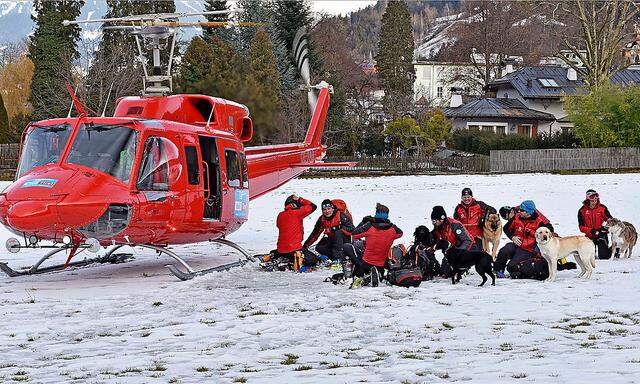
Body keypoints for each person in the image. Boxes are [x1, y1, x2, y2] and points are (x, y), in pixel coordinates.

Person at [494, 200, 575, 279]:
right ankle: (498, 270)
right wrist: (513, 237)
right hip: (517, 244)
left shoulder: (539, 222)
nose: (519, 211)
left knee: (511, 267)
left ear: (528, 212)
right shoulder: (517, 217)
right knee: (505, 249)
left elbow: (549, 231)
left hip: (528, 249)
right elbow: (506, 228)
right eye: (519, 209)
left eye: (521, 210)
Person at [344, 203, 403, 287]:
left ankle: (358, 275)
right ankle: (377, 273)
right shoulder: (393, 229)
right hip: (382, 264)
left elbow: (353, 234)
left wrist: (363, 222)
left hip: (366, 263)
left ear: (376, 214)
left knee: (347, 246)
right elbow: (400, 233)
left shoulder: (370, 226)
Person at [273, 194, 318, 270]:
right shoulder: (297, 212)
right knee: (313, 260)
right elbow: (313, 206)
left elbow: (279, 226)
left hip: (281, 249)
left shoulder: (280, 215)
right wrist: (300, 199)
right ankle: (293, 262)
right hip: (294, 248)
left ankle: (279, 257)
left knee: (284, 251)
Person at [303, 199, 354, 263]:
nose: (327, 211)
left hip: (344, 241)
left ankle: (338, 259)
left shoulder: (341, 215)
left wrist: (340, 228)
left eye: (329, 209)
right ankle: (334, 257)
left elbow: (352, 229)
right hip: (332, 240)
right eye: (324, 209)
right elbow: (315, 233)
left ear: (332, 208)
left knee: (338, 233)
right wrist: (305, 246)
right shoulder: (322, 219)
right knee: (319, 247)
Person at [578, 189, 612, 259]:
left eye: (596, 199)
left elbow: (610, 220)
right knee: (590, 257)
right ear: (588, 200)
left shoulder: (602, 208)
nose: (594, 201)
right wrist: (591, 231)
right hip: (590, 235)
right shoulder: (582, 211)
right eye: (592, 200)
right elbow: (581, 227)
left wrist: (605, 228)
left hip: (601, 234)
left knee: (604, 256)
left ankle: (616, 249)